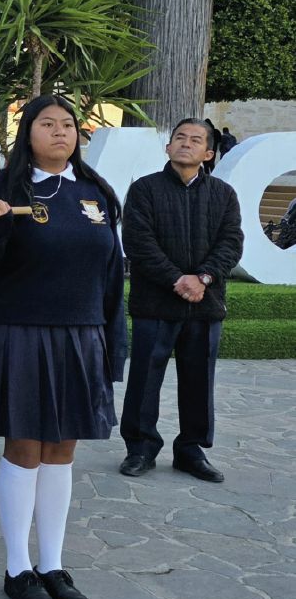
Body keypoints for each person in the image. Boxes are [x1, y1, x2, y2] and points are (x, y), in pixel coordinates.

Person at [0, 95, 126, 599]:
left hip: (82, 335)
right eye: (48, 124)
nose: (60, 132)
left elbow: (111, 278)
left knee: (62, 450)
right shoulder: (6, 190)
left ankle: (52, 565)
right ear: (28, 133)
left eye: (68, 124)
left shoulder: (95, 192)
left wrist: (112, 346)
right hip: (23, 333)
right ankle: (18, 568)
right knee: (25, 448)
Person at [119, 119, 243, 483]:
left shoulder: (223, 194)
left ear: (208, 153)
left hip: (205, 303)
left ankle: (191, 450)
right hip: (155, 303)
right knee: (144, 379)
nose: (186, 144)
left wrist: (202, 278)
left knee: (199, 381)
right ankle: (140, 448)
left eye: (195, 140)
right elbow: (138, 242)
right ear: (168, 147)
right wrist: (177, 279)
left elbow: (231, 242)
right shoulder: (144, 190)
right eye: (179, 138)